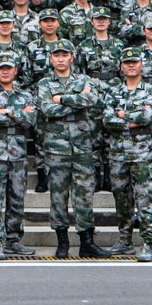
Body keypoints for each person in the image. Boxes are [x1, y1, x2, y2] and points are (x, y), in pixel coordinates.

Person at [35, 40, 102, 259]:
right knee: (58, 196)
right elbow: (47, 109)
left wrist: (62, 99)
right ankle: (62, 241)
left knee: (84, 195)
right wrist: (76, 101)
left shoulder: (84, 80)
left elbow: (92, 99)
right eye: (57, 55)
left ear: (72, 57)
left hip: (82, 147)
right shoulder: (45, 83)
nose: (61, 59)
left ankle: (87, 241)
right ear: (51, 59)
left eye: (65, 55)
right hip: (56, 148)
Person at [101, 47, 152, 261]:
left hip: (142, 154)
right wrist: (131, 120)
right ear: (121, 67)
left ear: (141, 65)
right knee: (122, 199)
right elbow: (107, 120)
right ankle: (125, 239)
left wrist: (123, 114)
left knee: (145, 198)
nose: (131, 65)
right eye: (127, 63)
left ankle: (147, 242)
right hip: (118, 153)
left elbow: (147, 116)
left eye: (134, 62)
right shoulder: (113, 91)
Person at [0, 52, 36, 260]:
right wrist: (17, 114)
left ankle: (13, 240)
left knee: (17, 198)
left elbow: (30, 121)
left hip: (19, 152)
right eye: (1, 68)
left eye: (9, 68)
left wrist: (9, 112)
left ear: (16, 70)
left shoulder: (25, 95)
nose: (5, 71)